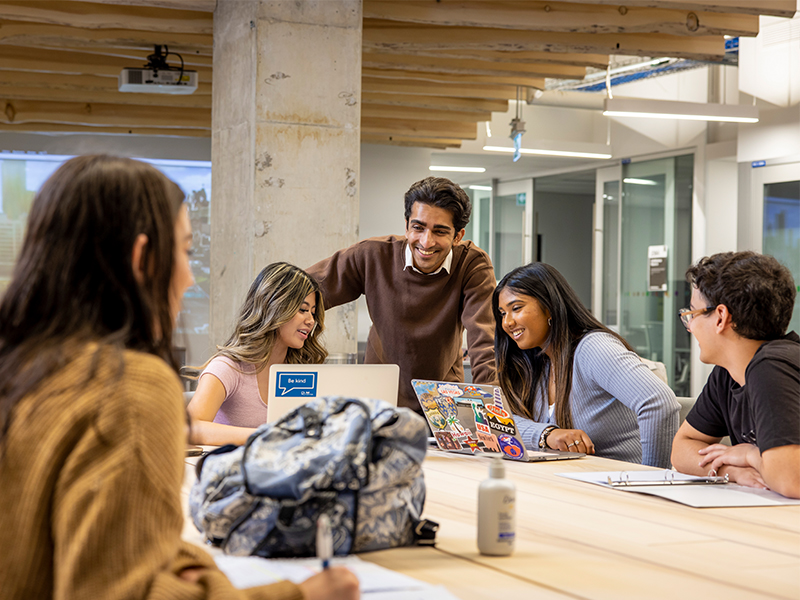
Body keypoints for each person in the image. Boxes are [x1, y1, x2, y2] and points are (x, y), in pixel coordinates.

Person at [0, 155, 358, 600]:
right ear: (141, 258)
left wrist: (184, 564)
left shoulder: (22, 369)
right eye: (187, 251)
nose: (190, 278)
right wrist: (300, 596)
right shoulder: (129, 388)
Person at [306, 176, 497, 412]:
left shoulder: (472, 264)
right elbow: (299, 291)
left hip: (444, 399)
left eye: (439, 231)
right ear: (406, 225)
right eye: (418, 227)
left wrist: (492, 413)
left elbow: (485, 341)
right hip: (379, 395)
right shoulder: (372, 256)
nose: (426, 242)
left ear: (458, 236)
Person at [493, 262, 679, 468]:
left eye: (516, 308)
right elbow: (503, 421)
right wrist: (547, 434)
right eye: (502, 313)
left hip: (620, 486)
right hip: (574, 481)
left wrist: (652, 480)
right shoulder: (537, 361)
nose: (507, 323)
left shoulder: (593, 348)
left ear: (550, 307)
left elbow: (659, 403)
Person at [671, 251, 799, 498]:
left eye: (692, 315)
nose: (690, 328)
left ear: (720, 317)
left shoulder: (772, 366)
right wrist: (730, 470)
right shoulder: (728, 374)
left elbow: (791, 478)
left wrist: (749, 454)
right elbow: (682, 448)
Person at [187, 262, 327, 446]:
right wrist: (266, 436)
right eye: (302, 310)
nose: (310, 321)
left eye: (313, 313)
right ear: (274, 307)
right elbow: (191, 428)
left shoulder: (301, 370)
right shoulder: (228, 367)